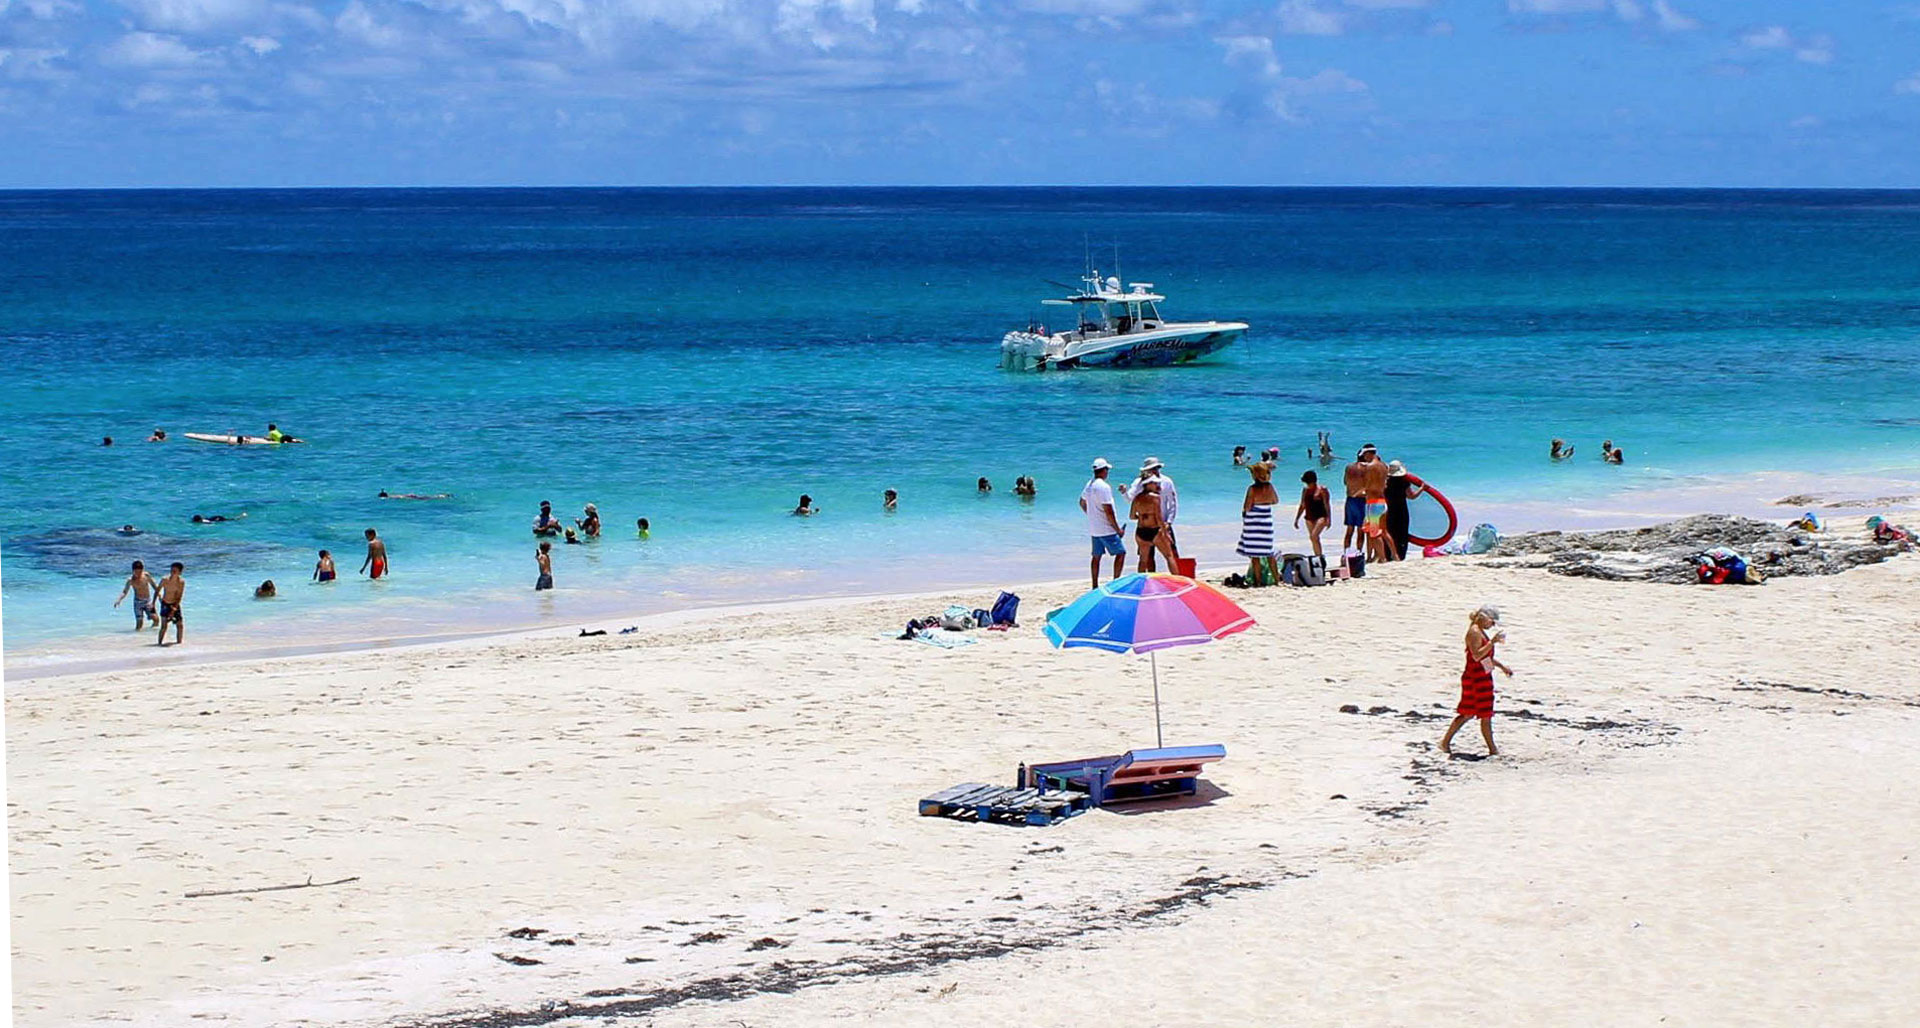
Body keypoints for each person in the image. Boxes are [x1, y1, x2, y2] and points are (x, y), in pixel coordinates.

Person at [1439, 605, 1513, 758]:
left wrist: (1502, 667)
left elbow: (1485, 657)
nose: (1492, 625)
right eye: (1491, 622)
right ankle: (1492, 749)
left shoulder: (1479, 631)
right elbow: (1477, 656)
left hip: (1482, 675)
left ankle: (1445, 742)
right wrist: (1492, 642)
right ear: (1484, 618)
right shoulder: (1474, 632)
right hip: (1475, 677)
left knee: (1469, 713)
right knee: (1481, 713)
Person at [1079, 457, 1125, 587]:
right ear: (1104, 470)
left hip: (1095, 529)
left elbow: (1081, 502)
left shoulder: (1089, 484)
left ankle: (1094, 585)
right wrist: (1118, 530)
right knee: (1121, 553)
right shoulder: (1104, 487)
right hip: (1106, 529)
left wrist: (1091, 515)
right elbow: (1109, 511)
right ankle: (1115, 582)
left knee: (1096, 557)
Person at [1125, 457, 1180, 562]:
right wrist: (1124, 492)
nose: (1155, 471)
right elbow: (1132, 499)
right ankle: (1151, 577)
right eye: (1152, 468)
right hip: (1147, 527)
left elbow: (1172, 503)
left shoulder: (1167, 481)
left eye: (1156, 468)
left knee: (1172, 552)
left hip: (1163, 523)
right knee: (1148, 557)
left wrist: (1169, 522)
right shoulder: (1140, 483)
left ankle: (1178, 577)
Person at [1236, 462, 1280, 578]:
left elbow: (1247, 506)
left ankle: (1258, 581)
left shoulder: (1252, 489)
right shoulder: (1270, 487)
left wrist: (1244, 514)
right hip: (1266, 523)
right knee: (1269, 553)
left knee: (1255, 555)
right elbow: (1275, 501)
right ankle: (1277, 580)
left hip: (1253, 524)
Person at [1130, 479, 1176, 573]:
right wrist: (1166, 533)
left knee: (1143, 560)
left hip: (1141, 531)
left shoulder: (1137, 498)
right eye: (1154, 483)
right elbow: (1158, 518)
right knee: (1169, 556)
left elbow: (1132, 516)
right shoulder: (1155, 497)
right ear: (1147, 485)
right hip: (1154, 530)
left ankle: (1141, 585)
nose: (1156, 484)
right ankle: (1178, 582)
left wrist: (1143, 516)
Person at [1383, 460, 1424, 561]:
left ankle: (1388, 554)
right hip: (1401, 509)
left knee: (1389, 530)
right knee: (1401, 532)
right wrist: (1422, 489)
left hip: (1388, 509)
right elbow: (1412, 496)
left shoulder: (1386, 482)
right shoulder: (1404, 482)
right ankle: (1400, 555)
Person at [1358, 445, 1392, 564]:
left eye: (1365, 456)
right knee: (1383, 532)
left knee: (1374, 533)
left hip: (1373, 502)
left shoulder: (1370, 467)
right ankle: (1394, 556)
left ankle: (1382, 558)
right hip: (1382, 501)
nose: (1364, 458)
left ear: (1369, 454)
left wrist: (1361, 491)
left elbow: (1369, 485)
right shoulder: (1384, 466)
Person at [1294, 469, 1332, 559]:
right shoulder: (1305, 490)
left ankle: (1319, 557)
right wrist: (1297, 519)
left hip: (1321, 516)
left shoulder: (1323, 490)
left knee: (1313, 536)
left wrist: (1329, 519)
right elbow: (1302, 505)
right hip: (1309, 517)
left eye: (1308, 483)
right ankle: (1318, 558)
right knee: (1314, 539)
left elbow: (1327, 504)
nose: (1308, 485)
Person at [114, 559, 158, 631]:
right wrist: (119, 600)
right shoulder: (130, 580)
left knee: (156, 619)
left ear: (142, 570)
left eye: (140, 572)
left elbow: (154, 586)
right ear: (133, 571)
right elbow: (125, 592)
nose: (138, 574)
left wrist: (159, 596)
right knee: (139, 624)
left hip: (148, 601)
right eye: (136, 572)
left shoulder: (146, 576)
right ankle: (137, 638)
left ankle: (151, 634)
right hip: (138, 603)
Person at [1341, 448, 1369, 554]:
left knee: (1349, 529)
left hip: (1350, 499)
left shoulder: (1349, 467)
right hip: (1361, 500)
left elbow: (1345, 482)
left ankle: (1346, 553)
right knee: (1361, 530)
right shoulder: (1367, 468)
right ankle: (1359, 552)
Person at [155, 562, 185, 646]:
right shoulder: (165, 579)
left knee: (179, 625)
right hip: (165, 603)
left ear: (180, 572)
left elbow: (179, 596)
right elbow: (157, 590)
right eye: (171, 570)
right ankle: (159, 644)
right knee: (164, 626)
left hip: (175, 604)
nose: (172, 572)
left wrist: (174, 609)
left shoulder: (181, 582)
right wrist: (153, 603)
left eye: (175, 571)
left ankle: (179, 643)